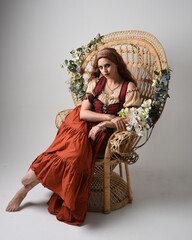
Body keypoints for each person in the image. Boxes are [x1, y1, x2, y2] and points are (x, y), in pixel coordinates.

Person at [5, 48, 141, 226]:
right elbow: (84, 113)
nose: (104, 71)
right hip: (80, 123)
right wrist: (109, 118)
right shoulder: (95, 83)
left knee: (74, 156)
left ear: (117, 64)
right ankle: (25, 189)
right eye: (100, 67)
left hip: (102, 132)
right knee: (67, 151)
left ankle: (29, 183)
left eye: (108, 65)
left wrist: (103, 125)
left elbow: (130, 119)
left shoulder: (128, 88)